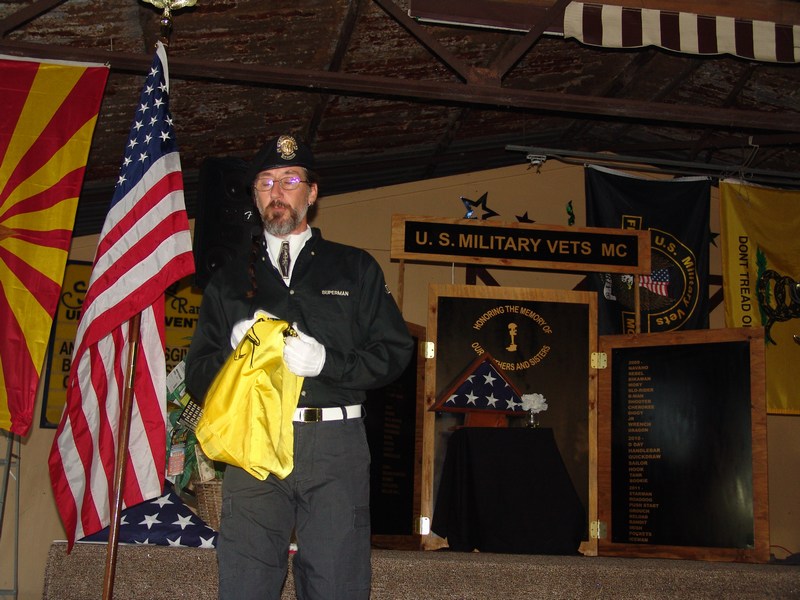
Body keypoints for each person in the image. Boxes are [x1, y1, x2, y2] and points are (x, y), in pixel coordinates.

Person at [185, 134, 414, 600]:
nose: (277, 192)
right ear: (254, 196)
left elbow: (394, 351)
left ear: (312, 193)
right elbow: (197, 375)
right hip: (254, 442)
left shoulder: (354, 268)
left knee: (336, 581)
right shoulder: (227, 281)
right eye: (266, 182)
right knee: (246, 580)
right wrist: (232, 359)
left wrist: (328, 362)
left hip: (334, 445)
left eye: (290, 181)